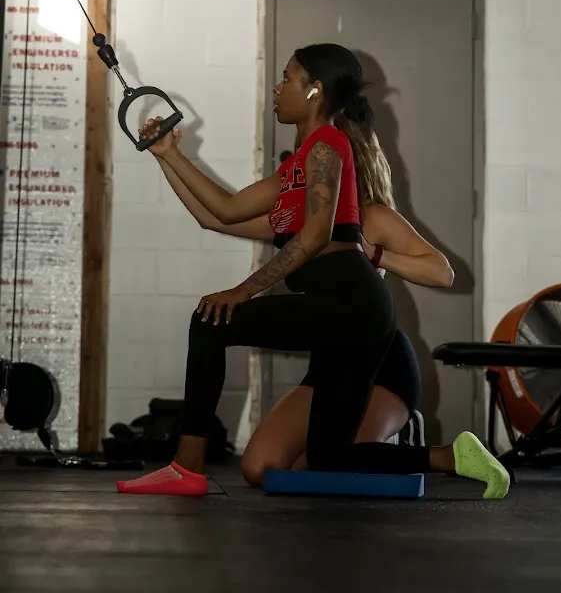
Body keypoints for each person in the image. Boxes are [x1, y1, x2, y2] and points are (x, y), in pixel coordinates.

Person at [117, 43, 510, 500]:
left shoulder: (327, 143)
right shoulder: (294, 172)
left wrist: (242, 291)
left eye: (287, 78)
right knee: (329, 457)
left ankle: (187, 467)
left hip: (350, 303)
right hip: (348, 315)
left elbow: (317, 235)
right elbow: (221, 212)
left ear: (314, 90)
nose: (277, 87)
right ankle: (452, 456)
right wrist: (167, 155)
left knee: (210, 321)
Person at [144, 116, 454, 486]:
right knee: (260, 468)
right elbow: (215, 218)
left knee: (326, 466)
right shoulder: (300, 218)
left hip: (379, 361)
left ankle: (407, 438)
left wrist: (375, 254)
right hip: (331, 359)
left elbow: (442, 272)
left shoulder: (371, 216)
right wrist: (166, 156)